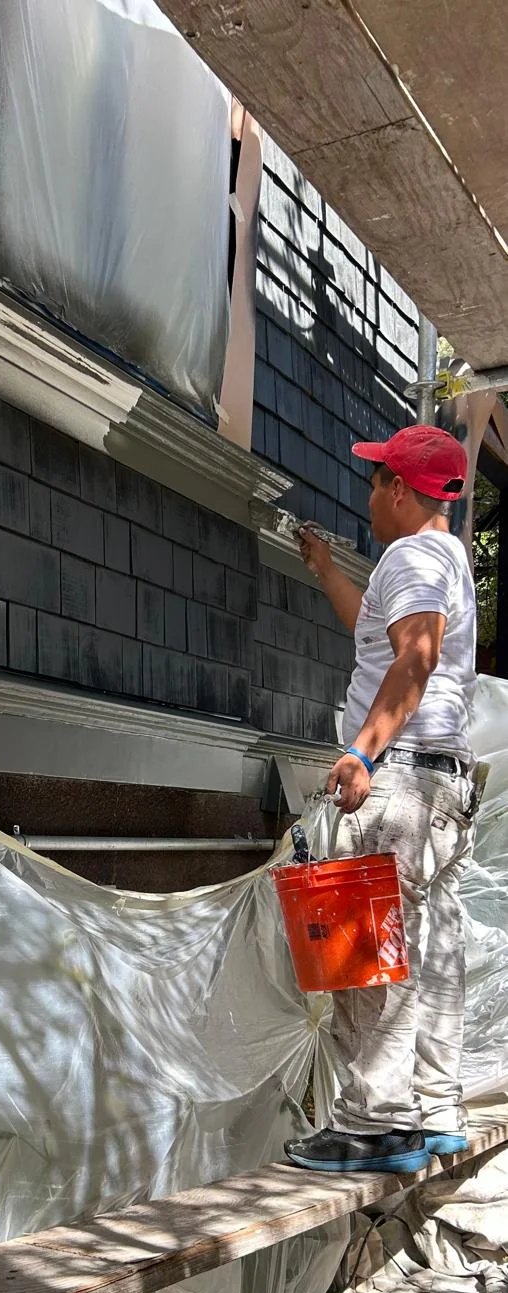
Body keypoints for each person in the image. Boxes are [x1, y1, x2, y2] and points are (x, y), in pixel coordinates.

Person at [283, 424, 480, 1176]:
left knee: (371, 950)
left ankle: (373, 1124)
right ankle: (434, 1109)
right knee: (429, 950)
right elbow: (386, 637)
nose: (367, 495)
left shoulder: (413, 555)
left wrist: (363, 751)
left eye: (375, 481)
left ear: (400, 489)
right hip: (441, 785)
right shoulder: (442, 559)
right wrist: (327, 570)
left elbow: (417, 656)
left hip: (400, 777)